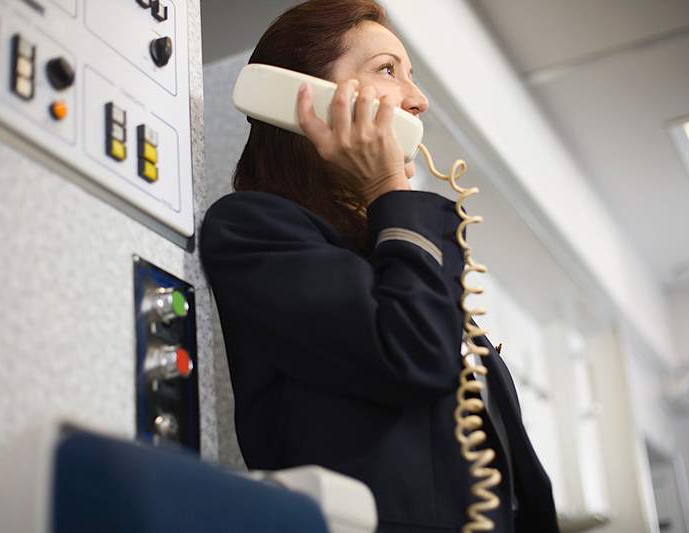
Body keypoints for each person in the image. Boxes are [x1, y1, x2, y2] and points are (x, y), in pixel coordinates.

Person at [199, 1, 559, 531]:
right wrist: (389, 187)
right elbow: (410, 352)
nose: (419, 100)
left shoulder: (395, 250)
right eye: (388, 70)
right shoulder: (250, 230)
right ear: (308, 97)